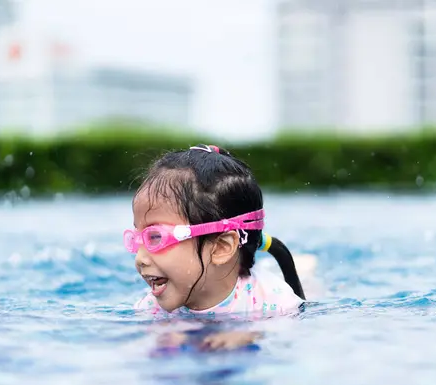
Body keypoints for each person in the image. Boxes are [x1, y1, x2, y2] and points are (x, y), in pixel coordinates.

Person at [123, 144, 306, 350]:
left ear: (221, 247)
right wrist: (161, 336)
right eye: (138, 238)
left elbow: (293, 337)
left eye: (155, 237)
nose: (140, 258)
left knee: (309, 283)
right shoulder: (153, 307)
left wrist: (252, 335)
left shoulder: (273, 300)